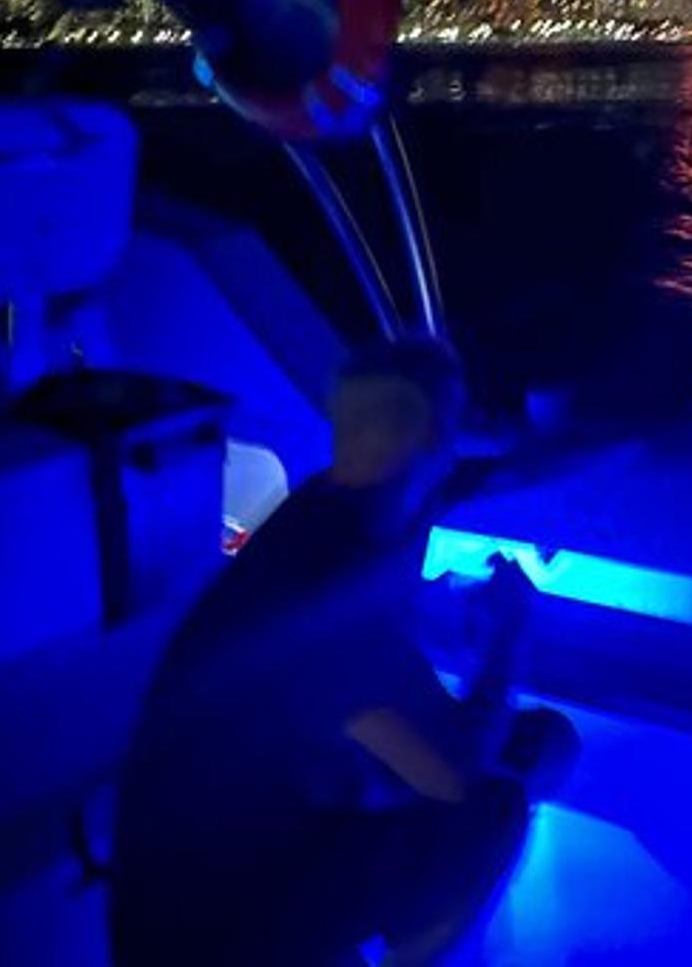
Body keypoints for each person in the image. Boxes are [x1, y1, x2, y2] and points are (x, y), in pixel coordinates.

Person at [111, 338, 576, 966]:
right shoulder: (327, 596)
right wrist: (511, 635)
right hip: (208, 930)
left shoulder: (329, 507)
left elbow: (460, 481)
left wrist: (588, 441)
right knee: (498, 809)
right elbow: (456, 768)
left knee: (518, 748)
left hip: (199, 875)